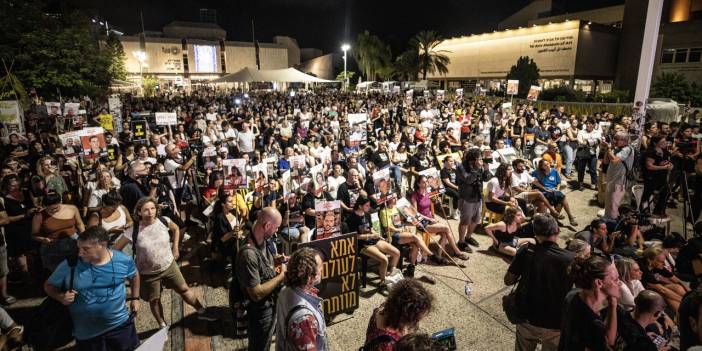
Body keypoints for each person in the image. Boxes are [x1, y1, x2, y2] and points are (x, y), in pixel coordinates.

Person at [113, 197, 213, 328]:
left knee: (184, 289)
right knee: (155, 300)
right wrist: (128, 266)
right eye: (146, 210)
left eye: (153, 208)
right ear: (139, 212)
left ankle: (201, 311)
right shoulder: (133, 230)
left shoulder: (164, 221)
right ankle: (162, 326)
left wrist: (175, 247)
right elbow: (115, 250)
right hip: (147, 273)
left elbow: (176, 228)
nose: (150, 212)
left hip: (169, 265)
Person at [44, 226, 140, 351]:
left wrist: (135, 298)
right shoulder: (70, 264)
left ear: (102, 245)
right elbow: (48, 285)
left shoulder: (123, 260)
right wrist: (60, 297)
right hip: (88, 334)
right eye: (79, 248)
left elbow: (134, 275)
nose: (80, 253)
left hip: (120, 326)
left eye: (86, 249)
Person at [504, 214, 573, 351]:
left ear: (535, 233)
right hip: (556, 322)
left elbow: (508, 280)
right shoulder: (570, 258)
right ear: (557, 230)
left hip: (528, 317)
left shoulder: (527, 251)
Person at [234, 207, 286, 351]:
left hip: (269, 304)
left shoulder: (262, 238)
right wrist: (281, 276)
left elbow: (263, 263)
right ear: (267, 226)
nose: (277, 231)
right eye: (276, 228)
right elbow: (256, 293)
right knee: (260, 346)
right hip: (260, 312)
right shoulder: (248, 255)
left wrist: (277, 260)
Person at [274, 247, 329, 351]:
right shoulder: (304, 320)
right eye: (320, 267)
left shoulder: (285, 291)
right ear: (310, 277)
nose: (322, 269)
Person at [362, 279, 434, 351]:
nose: (417, 324)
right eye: (416, 320)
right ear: (405, 316)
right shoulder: (388, 345)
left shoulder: (382, 310)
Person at [345, 196, 402, 286]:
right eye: (367, 205)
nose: (369, 207)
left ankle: (391, 273)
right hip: (362, 244)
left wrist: (377, 235)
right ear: (360, 206)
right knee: (384, 260)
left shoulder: (367, 214)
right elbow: (354, 236)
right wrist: (369, 235)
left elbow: (370, 228)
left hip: (372, 240)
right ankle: (383, 281)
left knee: (396, 253)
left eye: (369, 205)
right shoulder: (351, 218)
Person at [410, 176, 468, 260]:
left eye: (426, 181)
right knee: (446, 228)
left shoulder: (428, 192)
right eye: (423, 182)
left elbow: (434, 201)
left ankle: (440, 256)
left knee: (444, 233)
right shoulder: (415, 196)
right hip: (422, 223)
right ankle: (457, 252)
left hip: (431, 221)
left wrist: (438, 201)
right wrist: (429, 219)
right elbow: (415, 214)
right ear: (418, 184)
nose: (426, 183)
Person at [32, 191, 85, 272]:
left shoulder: (72, 208)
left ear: (60, 202)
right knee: (57, 274)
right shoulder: (39, 216)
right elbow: (34, 235)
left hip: (73, 243)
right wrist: (43, 239)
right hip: (53, 248)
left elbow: (80, 224)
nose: (53, 211)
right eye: (50, 209)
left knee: (76, 270)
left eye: (56, 208)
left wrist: (83, 238)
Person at [455, 148, 491, 253]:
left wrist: (487, 169)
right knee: (465, 221)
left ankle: (468, 237)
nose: (481, 159)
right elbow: (468, 180)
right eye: (479, 157)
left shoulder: (478, 166)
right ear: (473, 159)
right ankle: (461, 242)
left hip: (477, 196)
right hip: (466, 198)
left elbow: (485, 179)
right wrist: (476, 168)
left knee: (476, 219)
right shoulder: (461, 167)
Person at [640, 246, 689, 312]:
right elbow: (663, 290)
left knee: (677, 287)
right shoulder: (644, 269)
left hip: (653, 288)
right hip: (642, 293)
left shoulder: (655, 265)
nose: (664, 264)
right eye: (661, 261)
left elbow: (677, 280)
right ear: (650, 260)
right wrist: (684, 301)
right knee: (667, 296)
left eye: (664, 261)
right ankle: (683, 315)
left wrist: (690, 292)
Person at [532, 159, 577, 226]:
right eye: (545, 165)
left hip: (554, 191)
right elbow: (534, 183)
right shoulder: (536, 173)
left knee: (561, 198)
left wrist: (557, 189)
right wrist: (544, 188)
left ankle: (559, 218)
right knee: (562, 198)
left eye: (548, 163)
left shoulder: (554, 171)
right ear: (541, 167)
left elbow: (558, 182)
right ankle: (568, 217)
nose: (548, 165)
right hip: (544, 191)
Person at [602, 132, 635, 219]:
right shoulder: (616, 148)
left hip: (620, 181)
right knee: (608, 202)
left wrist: (609, 150)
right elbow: (606, 161)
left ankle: (613, 222)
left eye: (617, 139)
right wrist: (607, 149)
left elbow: (615, 160)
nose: (614, 140)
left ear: (625, 141)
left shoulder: (627, 149)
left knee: (615, 204)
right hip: (611, 179)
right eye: (614, 138)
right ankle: (607, 218)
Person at [641, 136, 673, 218]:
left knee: (665, 193)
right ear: (655, 143)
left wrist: (670, 165)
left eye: (665, 141)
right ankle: (644, 212)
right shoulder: (651, 152)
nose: (665, 143)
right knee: (647, 194)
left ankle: (658, 211)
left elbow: (668, 162)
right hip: (651, 177)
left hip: (662, 177)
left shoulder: (665, 151)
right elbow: (649, 166)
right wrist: (663, 167)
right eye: (662, 142)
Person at [575, 119, 601, 191]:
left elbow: (599, 140)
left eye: (590, 123)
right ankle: (580, 184)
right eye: (587, 123)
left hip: (593, 153)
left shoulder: (597, 132)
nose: (588, 125)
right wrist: (592, 141)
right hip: (583, 153)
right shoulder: (581, 132)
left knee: (593, 170)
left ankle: (594, 184)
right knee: (581, 169)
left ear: (593, 125)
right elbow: (580, 142)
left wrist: (587, 141)